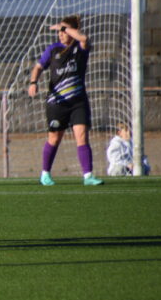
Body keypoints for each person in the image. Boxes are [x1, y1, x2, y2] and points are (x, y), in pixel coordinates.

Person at [28, 15, 104, 186]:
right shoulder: (53, 49)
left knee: (82, 136)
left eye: (64, 31)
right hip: (57, 102)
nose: (60, 34)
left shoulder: (81, 47)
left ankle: (88, 176)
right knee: (54, 138)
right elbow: (39, 66)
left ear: (72, 31)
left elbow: (84, 38)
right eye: (60, 31)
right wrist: (33, 82)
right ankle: (45, 174)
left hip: (78, 102)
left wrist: (65, 28)